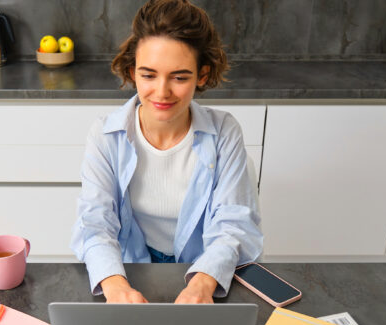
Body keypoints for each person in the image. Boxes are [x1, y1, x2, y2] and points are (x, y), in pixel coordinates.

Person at [70, 0, 262, 304]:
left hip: (202, 271)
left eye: (180, 77)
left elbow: (234, 224)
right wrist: (115, 285)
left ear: (201, 75)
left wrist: (202, 284)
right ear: (133, 72)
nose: (161, 92)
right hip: (129, 270)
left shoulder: (224, 131)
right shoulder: (106, 135)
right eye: (148, 75)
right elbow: (95, 222)